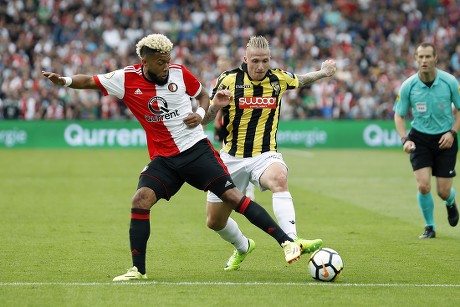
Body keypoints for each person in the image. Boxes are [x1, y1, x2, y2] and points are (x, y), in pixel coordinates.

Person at [42, 33, 306, 281]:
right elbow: (89, 80)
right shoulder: (125, 79)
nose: (167, 66)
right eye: (161, 62)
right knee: (140, 200)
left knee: (233, 197)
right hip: (165, 160)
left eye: (168, 60)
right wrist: (63, 81)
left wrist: (201, 114)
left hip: (196, 151)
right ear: (144, 61)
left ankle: (286, 242)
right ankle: (138, 270)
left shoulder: (179, 73)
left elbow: (203, 95)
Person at [201, 35, 335, 271]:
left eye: (265, 60)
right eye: (255, 61)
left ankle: (292, 241)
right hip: (231, 158)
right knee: (214, 221)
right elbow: (208, 118)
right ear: (245, 59)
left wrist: (323, 72)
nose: (260, 66)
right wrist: (215, 106)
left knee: (279, 179)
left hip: (264, 155)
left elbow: (300, 80)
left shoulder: (277, 79)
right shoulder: (229, 80)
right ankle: (243, 246)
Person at [394, 42, 460, 239]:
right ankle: (429, 227)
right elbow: (399, 115)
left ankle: (450, 202)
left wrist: (453, 133)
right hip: (420, 139)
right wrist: (405, 139)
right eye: (420, 57)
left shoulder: (450, 82)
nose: (424, 60)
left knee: (442, 191)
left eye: (428, 56)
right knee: (423, 185)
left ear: (435, 58)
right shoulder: (408, 86)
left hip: (445, 139)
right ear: (415, 59)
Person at [210, 55, 256, 200]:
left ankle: (247, 190)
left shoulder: (236, 79)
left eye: (223, 63)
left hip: (237, 123)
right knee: (225, 153)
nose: (221, 66)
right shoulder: (217, 81)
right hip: (224, 123)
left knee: (244, 155)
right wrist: (217, 120)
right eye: (219, 63)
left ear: (228, 63)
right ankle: (233, 188)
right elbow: (217, 104)